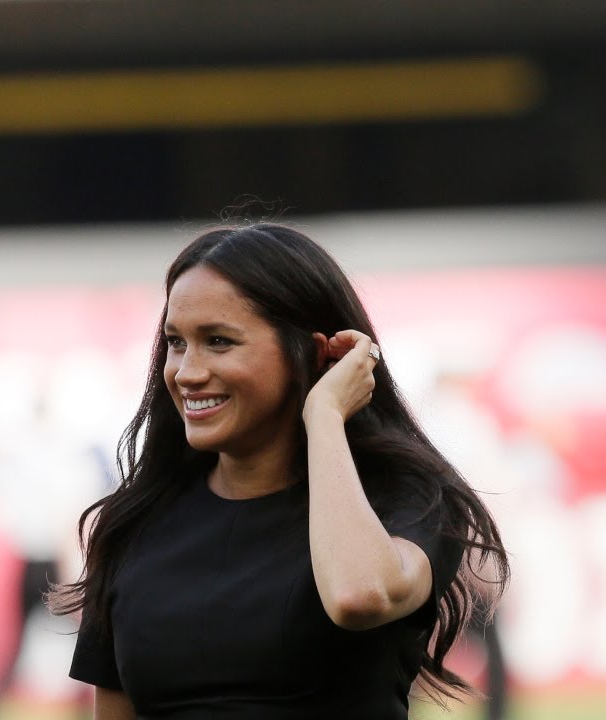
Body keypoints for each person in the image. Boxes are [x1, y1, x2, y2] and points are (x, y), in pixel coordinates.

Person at [56, 224, 509, 719]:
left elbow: (360, 595)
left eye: (219, 341)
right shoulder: (134, 524)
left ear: (313, 353)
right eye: (176, 342)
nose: (186, 371)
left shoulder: (406, 500)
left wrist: (325, 416)